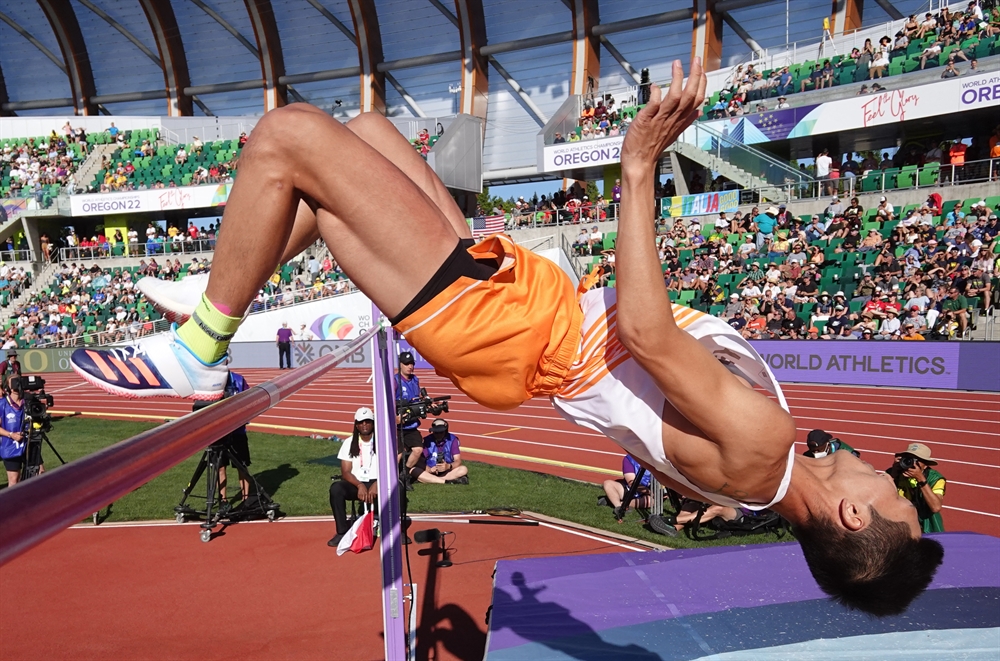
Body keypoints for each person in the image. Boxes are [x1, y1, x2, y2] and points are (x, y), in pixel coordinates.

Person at [73, 61, 942, 615]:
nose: (891, 472)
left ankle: (201, 342)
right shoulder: (764, 470)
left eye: (893, 494)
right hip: (526, 303)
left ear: (851, 512)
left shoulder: (767, 448)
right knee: (371, 133)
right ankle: (228, 275)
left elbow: (641, 328)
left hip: (513, 325)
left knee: (287, 136)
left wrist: (637, 168)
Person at [328, 407, 379, 547]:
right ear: (356, 424)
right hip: (357, 484)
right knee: (336, 488)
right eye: (361, 422)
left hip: (379, 482)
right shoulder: (349, 442)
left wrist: (378, 483)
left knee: (399, 488)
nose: (364, 425)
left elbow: (390, 467)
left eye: (368, 421)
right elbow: (345, 472)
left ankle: (397, 531)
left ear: (373, 423)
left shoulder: (382, 441)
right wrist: (359, 485)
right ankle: (341, 532)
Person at [886, 443, 945, 533]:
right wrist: (893, 473)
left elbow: (936, 507)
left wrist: (921, 479)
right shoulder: (894, 473)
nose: (911, 463)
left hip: (926, 526)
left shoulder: (935, 479)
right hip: (901, 522)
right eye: (907, 458)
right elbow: (878, 494)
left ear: (925, 465)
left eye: (916, 460)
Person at [217, 371, 252, 504]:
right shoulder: (210, 382)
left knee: (242, 466)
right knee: (220, 467)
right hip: (219, 432)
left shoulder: (238, 379)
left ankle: (246, 499)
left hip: (238, 431)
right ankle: (223, 501)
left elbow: (249, 399)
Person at [394, 351, 425, 486]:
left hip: (411, 423)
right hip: (398, 425)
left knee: (418, 449)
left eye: (412, 363)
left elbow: (418, 397)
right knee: (398, 454)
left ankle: (404, 475)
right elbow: (388, 401)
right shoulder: (395, 381)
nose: (410, 366)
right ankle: (393, 480)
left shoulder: (415, 379)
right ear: (400, 365)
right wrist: (395, 416)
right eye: (406, 364)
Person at [408, 418, 468, 485]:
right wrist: (429, 469)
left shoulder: (453, 440)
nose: (438, 435)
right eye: (436, 432)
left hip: (447, 470)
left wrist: (448, 466)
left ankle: (431, 479)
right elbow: (420, 460)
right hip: (431, 470)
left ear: (446, 431)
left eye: (441, 432)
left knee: (463, 469)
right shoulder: (426, 440)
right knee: (413, 470)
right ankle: (445, 481)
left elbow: (458, 461)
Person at [0, 384, 27, 486]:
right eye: (14, 382)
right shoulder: (2, 404)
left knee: (40, 474)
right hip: (10, 448)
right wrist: (11, 434)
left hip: (29, 444)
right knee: (14, 480)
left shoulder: (27, 402)